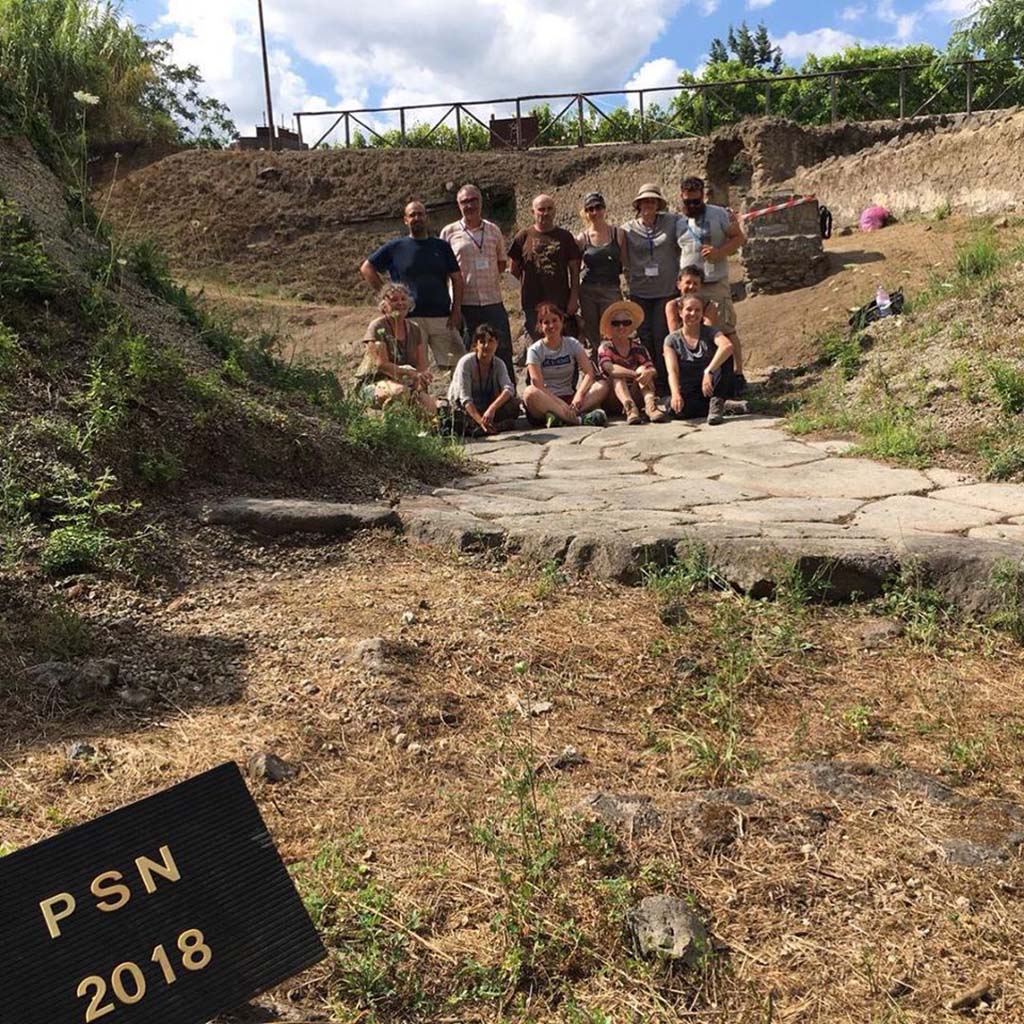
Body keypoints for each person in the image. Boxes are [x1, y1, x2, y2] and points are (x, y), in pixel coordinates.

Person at [359, 200, 465, 371]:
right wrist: (387, 296)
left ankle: (458, 398)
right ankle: (420, 398)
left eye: (420, 214)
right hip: (409, 320)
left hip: (443, 317)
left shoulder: (441, 246)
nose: (417, 218)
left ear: (427, 218)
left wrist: (457, 309)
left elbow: (457, 278)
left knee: (457, 364)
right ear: (405, 220)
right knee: (414, 369)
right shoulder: (395, 247)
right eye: (412, 215)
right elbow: (367, 268)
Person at [678, 176, 747, 392]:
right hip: (690, 287)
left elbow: (738, 238)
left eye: (696, 202)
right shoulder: (677, 221)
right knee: (695, 332)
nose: (692, 206)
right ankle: (705, 376)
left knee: (725, 329)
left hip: (715, 282)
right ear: (681, 197)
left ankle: (737, 374)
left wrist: (719, 253)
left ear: (703, 197)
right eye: (688, 202)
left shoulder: (719, 214)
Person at [440, 184, 515, 383]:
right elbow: (445, 270)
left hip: (493, 300)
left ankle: (509, 396)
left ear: (481, 202)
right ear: (458, 205)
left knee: (503, 349)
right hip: (465, 304)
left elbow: (501, 262)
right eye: (465, 202)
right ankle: (469, 397)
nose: (470, 205)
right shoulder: (448, 232)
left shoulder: (493, 230)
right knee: (468, 352)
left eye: (474, 200)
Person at [622, 183, 687, 382]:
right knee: (644, 337)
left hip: (665, 290)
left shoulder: (672, 221)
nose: (649, 204)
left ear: (658, 203)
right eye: (645, 201)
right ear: (638, 204)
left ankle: (667, 379)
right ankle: (649, 381)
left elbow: (694, 221)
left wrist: (724, 213)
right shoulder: (627, 229)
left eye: (652, 200)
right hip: (640, 291)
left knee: (662, 335)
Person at [354, 282, 436, 417]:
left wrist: (420, 380)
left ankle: (420, 436)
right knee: (400, 392)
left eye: (403, 299)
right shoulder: (377, 327)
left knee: (428, 405)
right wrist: (409, 373)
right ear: (384, 305)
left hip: (407, 383)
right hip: (374, 384)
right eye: (394, 300)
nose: (400, 303)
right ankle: (389, 430)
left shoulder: (415, 329)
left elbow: (422, 365)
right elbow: (382, 365)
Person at [523, 302, 609, 428]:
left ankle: (561, 418)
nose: (551, 325)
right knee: (529, 392)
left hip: (570, 399)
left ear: (562, 321)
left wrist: (579, 396)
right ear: (540, 326)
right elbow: (538, 385)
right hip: (546, 401)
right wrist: (559, 404)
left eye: (554, 320)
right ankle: (579, 420)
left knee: (602, 385)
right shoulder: (534, 350)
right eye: (546, 322)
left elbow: (589, 373)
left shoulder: (572, 343)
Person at [508, 194, 581, 340]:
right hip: (532, 304)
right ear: (533, 212)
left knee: (563, 344)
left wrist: (574, 297)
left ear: (554, 211)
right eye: (541, 209)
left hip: (560, 302)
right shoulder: (523, 237)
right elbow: (513, 271)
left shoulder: (565, 237)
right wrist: (519, 297)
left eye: (549, 209)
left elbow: (574, 270)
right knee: (538, 345)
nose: (545, 213)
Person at [664, 294, 734, 425]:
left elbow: (727, 346)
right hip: (690, 389)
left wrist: (709, 371)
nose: (693, 313)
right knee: (673, 408)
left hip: (710, 387)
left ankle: (717, 404)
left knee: (727, 356)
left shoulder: (710, 332)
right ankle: (728, 407)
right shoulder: (671, 340)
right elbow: (672, 371)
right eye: (689, 309)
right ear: (680, 312)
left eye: (697, 310)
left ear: (702, 313)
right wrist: (675, 394)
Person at [597, 300, 666, 425]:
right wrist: (634, 374)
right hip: (613, 397)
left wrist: (646, 373)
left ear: (631, 326)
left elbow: (652, 369)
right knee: (618, 376)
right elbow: (609, 368)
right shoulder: (605, 347)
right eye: (616, 323)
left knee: (644, 371)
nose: (621, 327)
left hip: (636, 392)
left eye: (626, 323)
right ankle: (630, 408)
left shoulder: (639, 348)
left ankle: (650, 406)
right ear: (610, 327)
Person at [575, 191, 627, 353]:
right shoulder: (582, 239)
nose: (595, 212)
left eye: (598, 207)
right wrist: (574, 295)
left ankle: (614, 365)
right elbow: (575, 269)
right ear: (586, 213)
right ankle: (597, 368)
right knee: (591, 331)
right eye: (590, 209)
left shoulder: (618, 234)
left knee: (612, 329)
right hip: (588, 290)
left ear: (604, 209)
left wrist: (627, 289)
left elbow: (625, 263)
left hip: (611, 289)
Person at [447, 324, 519, 436]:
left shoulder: (499, 364)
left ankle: (484, 427)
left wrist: (492, 408)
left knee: (513, 405)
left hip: (486, 407)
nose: (486, 345)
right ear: (476, 345)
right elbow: (465, 399)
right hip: (465, 409)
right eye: (482, 342)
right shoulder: (466, 363)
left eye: (490, 341)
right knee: (455, 419)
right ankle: (483, 427)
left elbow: (509, 389)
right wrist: (480, 421)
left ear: (497, 344)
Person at [665, 264, 720, 333]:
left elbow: (709, 333)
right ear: (679, 285)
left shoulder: (709, 306)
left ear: (701, 286)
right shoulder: (673, 305)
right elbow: (674, 334)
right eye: (688, 283)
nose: (691, 287)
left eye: (695, 284)